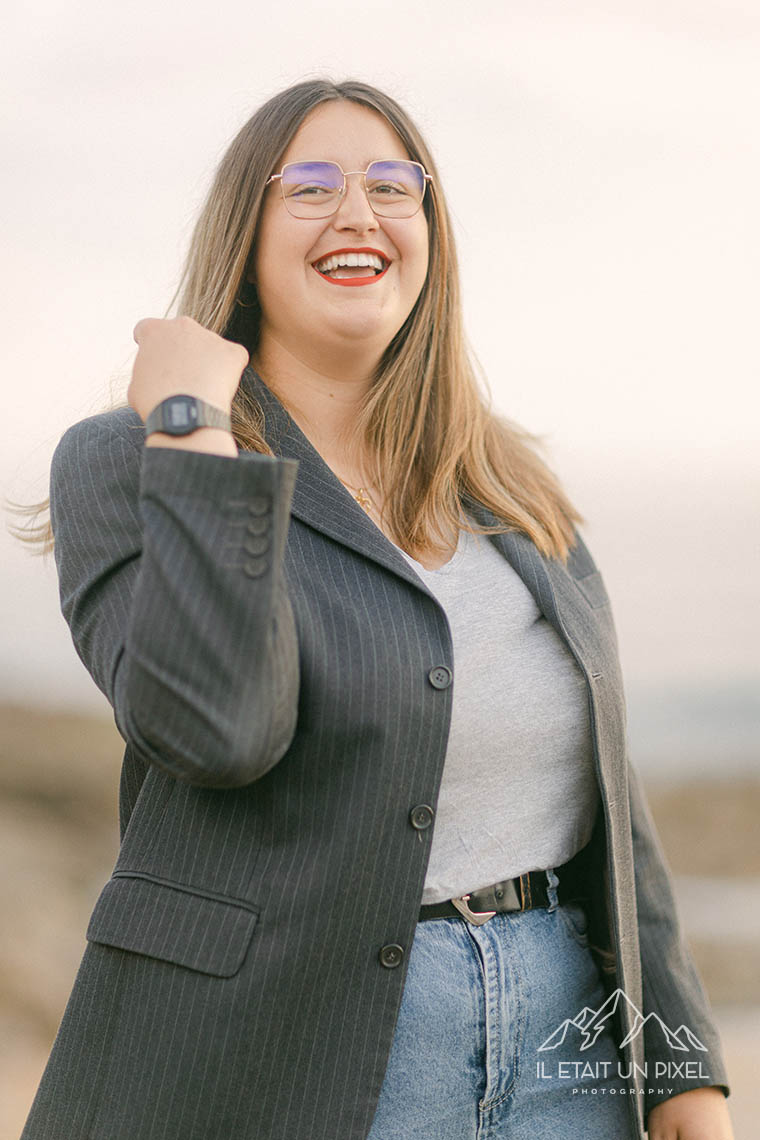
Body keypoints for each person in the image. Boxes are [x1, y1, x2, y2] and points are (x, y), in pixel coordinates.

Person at [20, 78, 733, 1140]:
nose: (357, 211)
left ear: (429, 234)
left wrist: (681, 1064)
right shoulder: (129, 458)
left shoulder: (505, 480)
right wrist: (192, 426)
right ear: (244, 234)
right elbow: (218, 729)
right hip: (296, 1042)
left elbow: (603, 786)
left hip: (562, 1037)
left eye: (393, 185)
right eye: (308, 185)